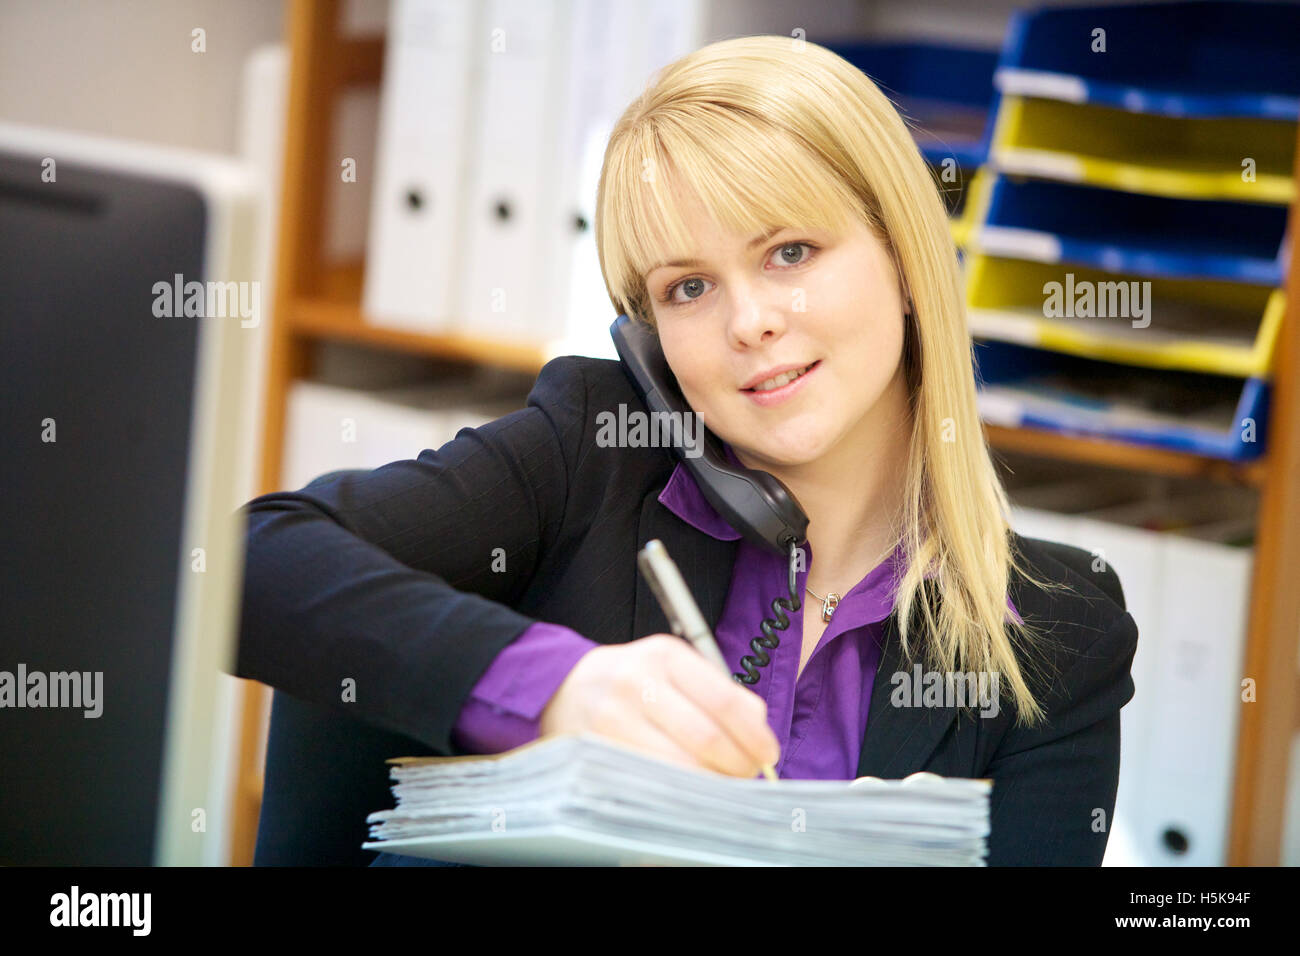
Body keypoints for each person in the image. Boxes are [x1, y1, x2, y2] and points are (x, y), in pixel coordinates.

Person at [235, 35, 1137, 866]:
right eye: (689, 286)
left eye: (791, 251)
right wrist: (554, 687)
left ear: (906, 260)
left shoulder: (1060, 637)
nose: (749, 323)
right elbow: (250, 560)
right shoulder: (593, 448)